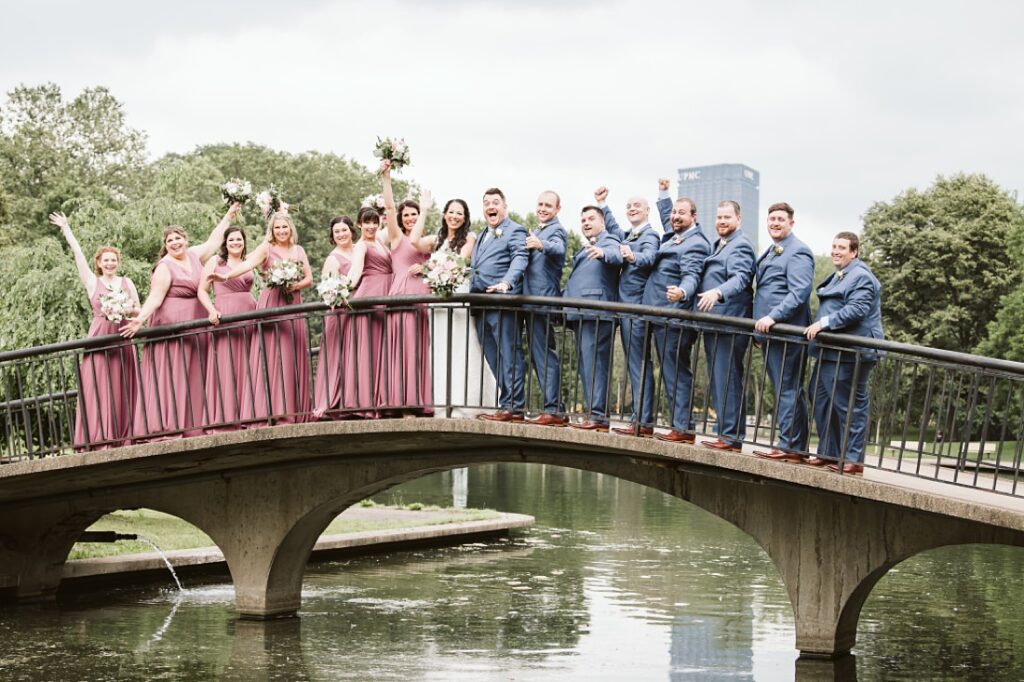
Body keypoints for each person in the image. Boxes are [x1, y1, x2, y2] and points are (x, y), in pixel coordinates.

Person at [122, 204, 240, 441]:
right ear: (165, 246)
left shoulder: (195, 256)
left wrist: (229, 215)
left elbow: (214, 241)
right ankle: (166, 424)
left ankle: (194, 425)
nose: (175, 243)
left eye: (178, 239)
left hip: (195, 323)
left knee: (195, 371)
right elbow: (155, 297)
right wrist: (139, 321)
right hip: (172, 324)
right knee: (174, 372)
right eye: (170, 241)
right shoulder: (165, 267)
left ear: (185, 240)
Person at [50, 212, 140, 450]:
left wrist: (126, 308)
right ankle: (98, 438)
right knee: (98, 388)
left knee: (122, 385)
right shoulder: (92, 282)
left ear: (118, 262)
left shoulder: (127, 283)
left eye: (114, 260)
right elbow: (78, 255)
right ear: (99, 263)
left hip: (122, 338)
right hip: (100, 338)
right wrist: (66, 229)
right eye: (106, 260)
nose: (110, 263)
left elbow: (138, 311)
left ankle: (125, 436)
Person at [214, 211, 313, 425]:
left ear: (291, 229)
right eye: (277, 227)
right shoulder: (266, 249)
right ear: (272, 230)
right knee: (271, 353)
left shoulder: (298, 250)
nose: (281, 231)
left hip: (292, 301)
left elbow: (309, 279)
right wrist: (227, 276)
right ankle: (269, 410)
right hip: (272, 301)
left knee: (291, 352)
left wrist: (294, 285)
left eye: (284, 227)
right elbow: (246, 265)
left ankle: (294, 410)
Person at [804, 231, 884, 475]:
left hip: (852, 352)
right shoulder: (840, 275)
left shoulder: (861, 276)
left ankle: (853, 459)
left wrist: (824, 323)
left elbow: (857, 309)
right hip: (831, 351)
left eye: (842, 247)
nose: (836, 251)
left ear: (854, 252)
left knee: (849, 405)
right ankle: (828, 452)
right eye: (834, 246)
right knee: (819, 397)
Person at [415, 196, 498, 417]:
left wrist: (429, 268)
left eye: (459, 213)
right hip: (438, 299)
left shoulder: (469, 238)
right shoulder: (437, 239)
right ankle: (442, 403)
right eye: (451, 212)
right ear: (444, 215)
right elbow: (414, 241)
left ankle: (466, 403)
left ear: (465, 218)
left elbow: (459, 262)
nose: (454, 216)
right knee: (440, 348)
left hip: (457, 293)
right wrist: (423, 211)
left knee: (462, 345)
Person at [594, 185, 661, 436]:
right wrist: (603, 205)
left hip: (636, 309)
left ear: (647, 210)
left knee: (639, 364)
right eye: (629, 206)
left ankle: (642, 422)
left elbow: (649, 257)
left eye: (637, 206)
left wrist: (632, 256)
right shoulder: (629, 234)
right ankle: (639, 419)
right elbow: (613, 230)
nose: (632, 209)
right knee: (636, 364)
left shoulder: (650, 235)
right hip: (624, 308)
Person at [750, 202, 815, 462]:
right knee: (787, 389)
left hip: (786, 332)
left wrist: (771, 318)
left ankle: (788, 445)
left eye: (780, 219)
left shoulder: (798, 252)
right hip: (770, 335)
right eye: (771, 219)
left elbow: (799, 292)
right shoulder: (771, 251)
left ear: (791, 223)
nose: (775, 223)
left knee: (787, 389)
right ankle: (796, 448)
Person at [649, 195, 712, 443]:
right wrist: (664, 195)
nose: (675, 216)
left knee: (676, 373)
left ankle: (683, 428)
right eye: (673, 212)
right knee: (670, 372)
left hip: (674, 319)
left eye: (681, 213)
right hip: (661, 317)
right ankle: (680, 425)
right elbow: (669, 221)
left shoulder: (695, 244)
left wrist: (682, 291)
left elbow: (691, 274)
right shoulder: (677, 236)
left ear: (693, 217)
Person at [694, 200, 755, 453]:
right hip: (714, 323)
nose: (721, 221)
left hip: (728, 322)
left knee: (727, 379)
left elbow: (740, 278)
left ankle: (730, 437)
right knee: (720, 380)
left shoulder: (741, 245)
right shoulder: (718, 245)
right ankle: (726, 432)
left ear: (738, 219)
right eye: (718, 217)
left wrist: (718, 292)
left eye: (727, 217)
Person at [564, 206, 624, 431]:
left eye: (591, 219)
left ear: (602, 223)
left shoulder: (608, 241)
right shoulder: (586, 247)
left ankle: (598, 416)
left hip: (596, 313)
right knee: (587, 365)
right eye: (583, 220)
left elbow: (617, 255)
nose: (586, 223)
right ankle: (596, 414)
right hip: (582, 313)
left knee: (595, 365)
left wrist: (603, 253)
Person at [471, 188, 528, 422]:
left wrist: (507, 282)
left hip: (502, 303)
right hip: (480, 304)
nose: (490, 206)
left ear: (505, 206)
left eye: (495, 202)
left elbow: (520, 257)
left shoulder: (515, 230)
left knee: (509, 354)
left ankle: (514, 407)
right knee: (494, 357)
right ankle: (506, 401)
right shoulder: (483, 233)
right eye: (486, 203)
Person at [380, 162, 431, 416]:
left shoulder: (427, 241)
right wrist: (386, 177)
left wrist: (427, 269)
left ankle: (418, 401)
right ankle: (398, 402)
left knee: (419, 349)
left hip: (422, 298)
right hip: (401, 295)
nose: (410, 218)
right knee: (400, 348)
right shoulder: (398, 238)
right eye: (407, 215)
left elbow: (443, 263)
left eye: (414, 214)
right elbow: (389, 207)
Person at [198, 225, 257, 432]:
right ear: (225, 242)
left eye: (239, 239)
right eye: (231, 240)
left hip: (249, 313)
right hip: (225, 314)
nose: (235, 243)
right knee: (226, 364)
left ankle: (248, 415)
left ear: (244, 241)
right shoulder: (216, 261)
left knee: (249, 365)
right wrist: (211, 310)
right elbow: (202, 291)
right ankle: (225, 417)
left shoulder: (249, 261)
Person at [522, 190, 568, 426]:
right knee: (539, 356)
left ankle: (554, 410)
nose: (542, 208)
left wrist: (542, 245)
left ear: (557, 209)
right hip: (530, 302)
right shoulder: (537, 229)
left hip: (542, 302)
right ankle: (555, 407)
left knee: (545, 356)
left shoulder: (556, 230)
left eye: (548, 205)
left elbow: (559, 249)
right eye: (540, 204)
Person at [343, 206, 394, 417]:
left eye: (374, 222)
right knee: (369, 348)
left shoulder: (380, 240)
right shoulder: (361, 246)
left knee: (382, 347)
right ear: (359, 225)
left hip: (385, 293)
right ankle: (364, 401)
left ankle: (382, 398)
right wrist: (342, 291)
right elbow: (355, 272)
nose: (371, 226)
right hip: (370, 295)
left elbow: (392, 222)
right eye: (367, 222)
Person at [313, 216, 358, 419]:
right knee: (338, 356)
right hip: (340, 314)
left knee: (355, 356)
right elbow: (325, 290)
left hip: (359, 313)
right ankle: (332, 401)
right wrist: (339, 292)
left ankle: (355, 399)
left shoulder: (360, 250)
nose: (341, 234)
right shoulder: (333, 259)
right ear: (332, 236)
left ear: (351, 230)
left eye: (344, 230)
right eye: (337, 232)